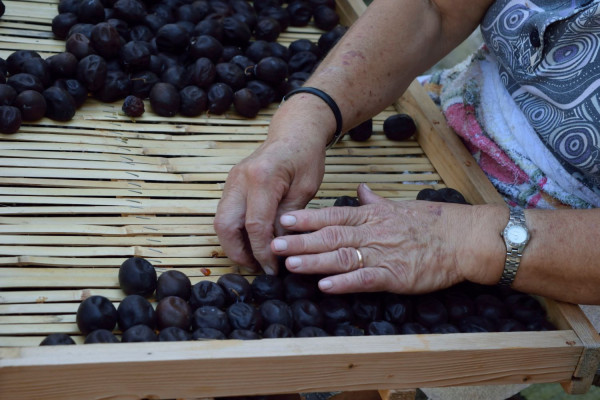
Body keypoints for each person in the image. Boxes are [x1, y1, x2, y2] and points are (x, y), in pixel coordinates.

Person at [214, 0, 600, 306]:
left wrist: (464, 239)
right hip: (450, 112)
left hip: (565, 251)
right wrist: (309, 116)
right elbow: (436, 7)